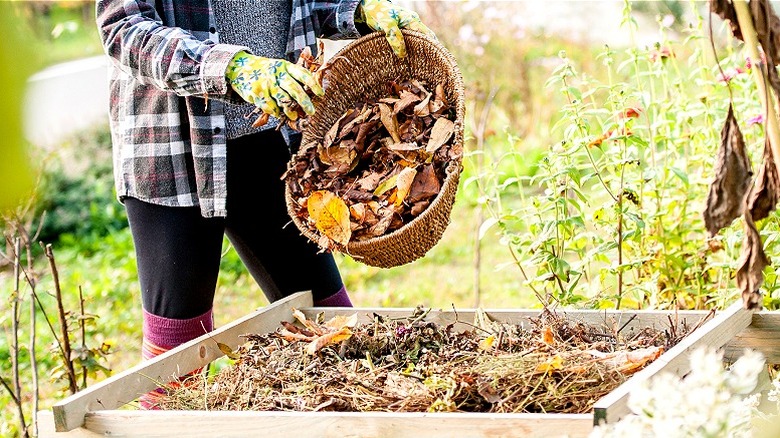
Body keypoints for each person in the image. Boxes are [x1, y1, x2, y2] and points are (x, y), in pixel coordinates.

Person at [95, 0, 434, 403]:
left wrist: (359, 10)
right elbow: (123, 29)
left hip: (270, 139)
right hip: (175, 150)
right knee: (178, 351)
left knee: (329, 322)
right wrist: (232, 68)